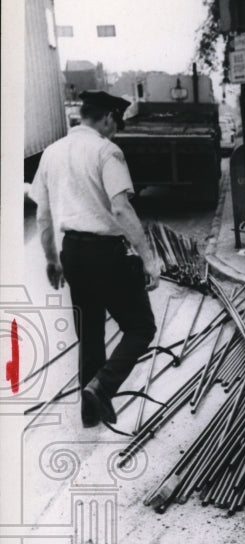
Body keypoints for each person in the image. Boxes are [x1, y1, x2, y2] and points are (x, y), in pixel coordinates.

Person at [29, 90, 161, 428]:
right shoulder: (107, 151)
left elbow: (43, 214)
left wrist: (52, 259)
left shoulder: (52, 153)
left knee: (89, 333)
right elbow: (120, 207)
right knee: (140, 326)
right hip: (106, 253)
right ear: (106, 118)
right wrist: (148, 258)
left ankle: (89, 413)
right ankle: (103, 386)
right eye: (115, 121)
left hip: (72, 252)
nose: (115, 127)